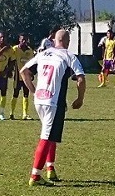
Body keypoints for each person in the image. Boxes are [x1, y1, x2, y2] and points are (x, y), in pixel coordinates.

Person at [20, 29, 86, 186]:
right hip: (53, 102)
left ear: (55, 40)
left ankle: (50, 168)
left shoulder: (44, 53)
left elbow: (24, 72)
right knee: (46, 136)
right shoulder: (69, 56)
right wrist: (80, 99)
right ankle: (35, 176)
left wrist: (34, 91)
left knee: (50, 134)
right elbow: (81, 79)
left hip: (40, 100)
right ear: (68, 42)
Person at [9, 34, 35, 120]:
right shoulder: (15, 49)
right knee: (15, 94)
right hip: (18, 76)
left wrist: (32, 74)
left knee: (26, 94)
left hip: (26, 77)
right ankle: (11, 113)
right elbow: (11, 60)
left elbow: (32, 64)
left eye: (25, 40)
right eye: (22, 39)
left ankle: (25, 114)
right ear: (19, 40)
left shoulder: (29, 50)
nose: (24, 41)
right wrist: (10, 71)